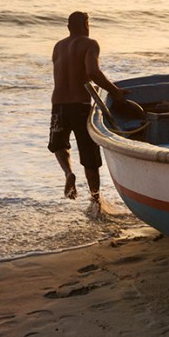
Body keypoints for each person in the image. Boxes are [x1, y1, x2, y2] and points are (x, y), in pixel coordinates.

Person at [49, 11, 127, 203]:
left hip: (58, 104)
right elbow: (92, 71)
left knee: (59, 144)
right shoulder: (89, 44)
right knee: (89, 155)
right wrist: (114, 90)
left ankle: (68, 173)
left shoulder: (58, 46)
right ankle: (95, 200)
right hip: (80, 105)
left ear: (68, 27)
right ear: (86, 24)